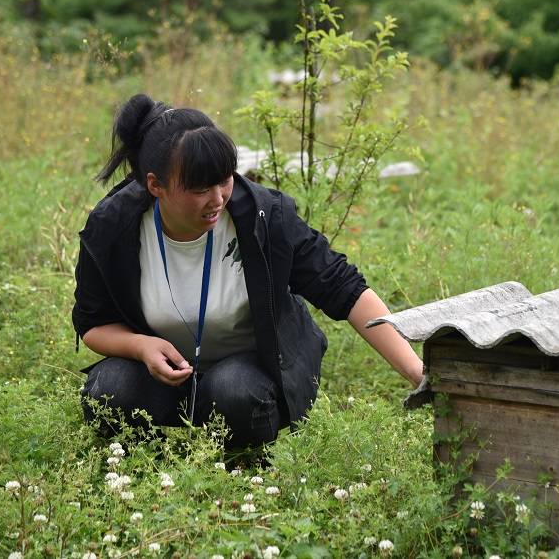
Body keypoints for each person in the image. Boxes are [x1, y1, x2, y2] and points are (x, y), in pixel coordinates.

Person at [73, 94, 423, 450]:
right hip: (161, 378)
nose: (218, 198)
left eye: (224, 179)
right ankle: (142, 467)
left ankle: (243, 459)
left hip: (246, 374)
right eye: (199, 189)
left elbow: (343, 287)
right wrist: (141, 346)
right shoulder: (113, 225)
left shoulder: (263, 216)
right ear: (154, 185)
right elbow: (93, 323)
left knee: (233, 390)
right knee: (107, 391)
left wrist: (419, 374)